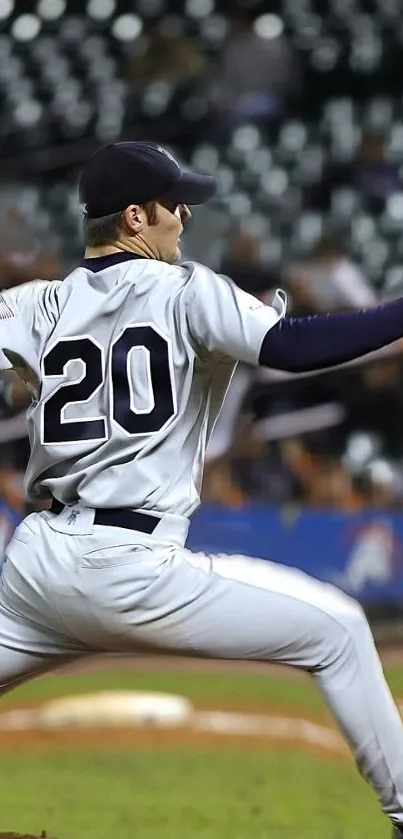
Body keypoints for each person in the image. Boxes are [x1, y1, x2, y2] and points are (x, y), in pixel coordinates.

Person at [1, 142, 403, 838]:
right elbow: (295, 347)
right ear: (135, 215)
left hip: (36, 569)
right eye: (173, 202)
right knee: (336, 629)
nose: (183, 216)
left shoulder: (32, 304)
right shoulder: (186, 288)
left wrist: (28, 374)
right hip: (134, 566)